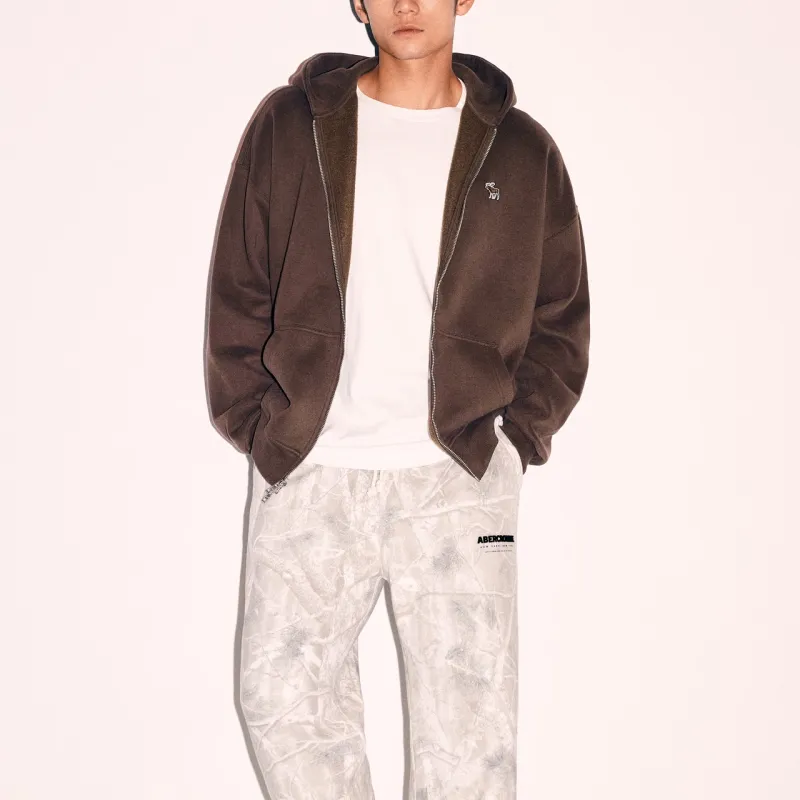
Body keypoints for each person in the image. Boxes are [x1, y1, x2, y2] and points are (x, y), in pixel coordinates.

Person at [204, 0, 590, 796]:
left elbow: (562, 314)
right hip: (314, 469)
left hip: (457, 476)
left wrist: (514, 443)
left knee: (470, 744)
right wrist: (264, 428)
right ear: (357, 1)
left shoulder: (522, 151)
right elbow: (240, 287)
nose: (407, 4)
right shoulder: (292, 126)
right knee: (280, 698)